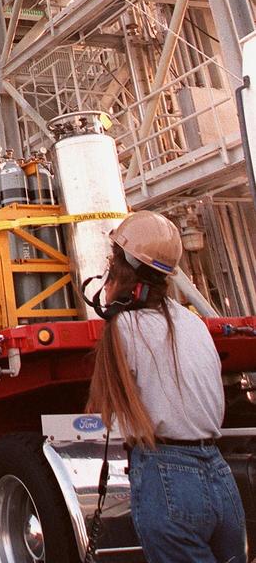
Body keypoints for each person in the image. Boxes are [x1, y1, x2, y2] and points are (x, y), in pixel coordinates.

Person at [87, 211, 246, 563]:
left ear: (121, 266)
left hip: (168, 475)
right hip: (220, 473)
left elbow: (107, 408)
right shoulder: (195, 324)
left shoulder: (124, 327)